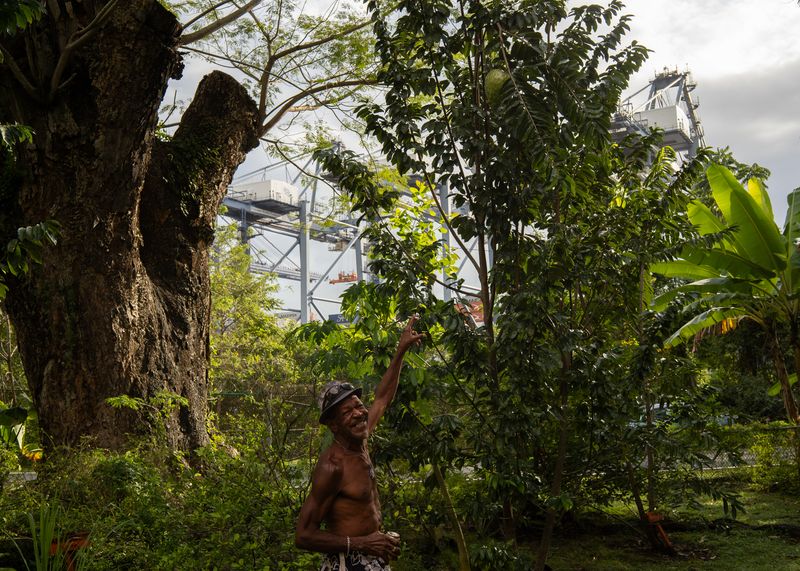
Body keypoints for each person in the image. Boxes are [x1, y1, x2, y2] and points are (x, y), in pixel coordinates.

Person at [295, 316, 425, 571]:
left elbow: (383, 398)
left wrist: (401, 350)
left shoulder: (361, 436)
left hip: (373, 559)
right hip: (349, 562)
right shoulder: (333, 466)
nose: (358, 413)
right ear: (334, 425)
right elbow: (303, 535)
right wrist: (362, 544)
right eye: (346, 412)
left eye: (358, 406)